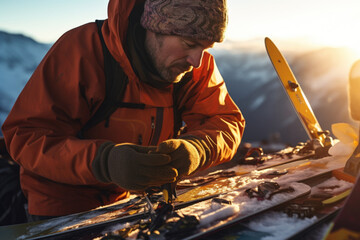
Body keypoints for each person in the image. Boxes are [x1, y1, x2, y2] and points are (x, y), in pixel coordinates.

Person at [1, 0, 245, 219]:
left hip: (131, 202)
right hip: (63, 208)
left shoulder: (193, 68)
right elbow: (26, 135)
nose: (197, 60)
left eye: (207, 47)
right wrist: (104, 162)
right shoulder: (83, 51)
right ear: (155, 27)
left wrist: (198, 149)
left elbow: (225, 120)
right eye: (189, 43)